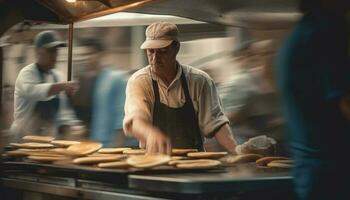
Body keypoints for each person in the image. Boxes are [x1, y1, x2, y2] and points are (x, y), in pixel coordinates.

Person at [123, 21, 237, 154]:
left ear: (176, 47)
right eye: (150, 52)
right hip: (153, 161)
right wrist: (150, 134)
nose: (155, 59)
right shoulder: (139, 81)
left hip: (195, 164)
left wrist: (235, 149)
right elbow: (136, 120)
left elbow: (216, 124)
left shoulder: (200, 81)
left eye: (162, 51)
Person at [277, 0, 350, 199]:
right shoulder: (328, 31)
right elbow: (346, 102)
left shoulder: (302, 32)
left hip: (312, 173)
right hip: (334, 173)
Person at [219, 34, 287, 155]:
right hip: (249, 149)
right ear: (258, 56)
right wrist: (243, 111)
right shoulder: (241, 83)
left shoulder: (286, 81)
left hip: (281, 147)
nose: (272, 57)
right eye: (267, 53)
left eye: (276, 53)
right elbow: (220, 120)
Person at [10, 30, 78, 140]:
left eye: (56, 51)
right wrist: (61, 87)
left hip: (48, 140)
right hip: (23, 139)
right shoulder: (27, 73)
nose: (55, 55)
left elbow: (63, 112)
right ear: (37, 51)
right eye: (50, 51)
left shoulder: (58, 76)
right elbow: (34, 91)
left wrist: (72, 127)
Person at [70, 38, 137, 147]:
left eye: (90, 54)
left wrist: (117, 149)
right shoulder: (90, 81)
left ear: (101, 54)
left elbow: (121, 115)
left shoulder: (116, 78)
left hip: (113, 145)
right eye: (83, 55)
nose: (86, 58)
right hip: (97, 143)